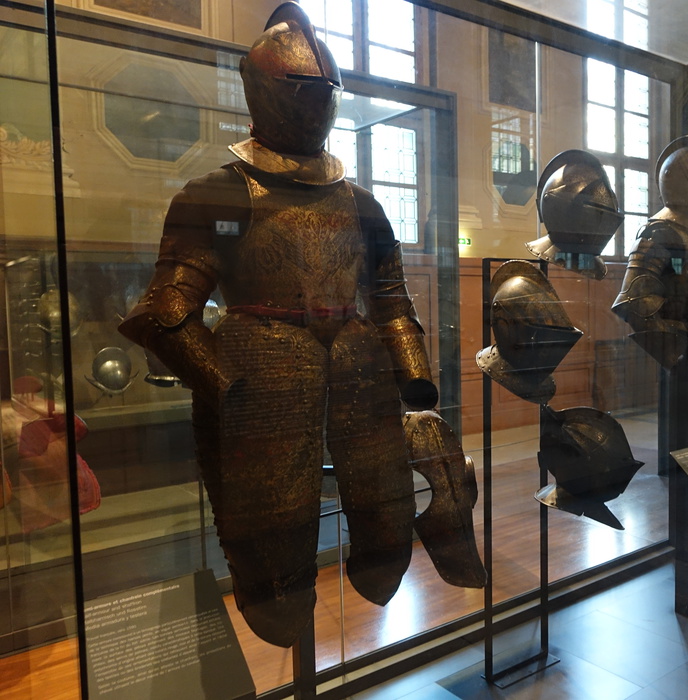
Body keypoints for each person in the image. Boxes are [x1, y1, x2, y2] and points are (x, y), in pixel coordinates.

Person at [119, 2, 482, 648]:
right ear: (266, 91)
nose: (316, 103)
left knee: (384, 523)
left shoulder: (362, 204)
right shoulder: (219, 194)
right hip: (259, 366)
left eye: (324, 91)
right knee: (274, 541)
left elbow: (391, 301)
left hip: (357, 364)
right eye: (303, 90)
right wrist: (228, 387)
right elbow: (165, 312)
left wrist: (415, 380)